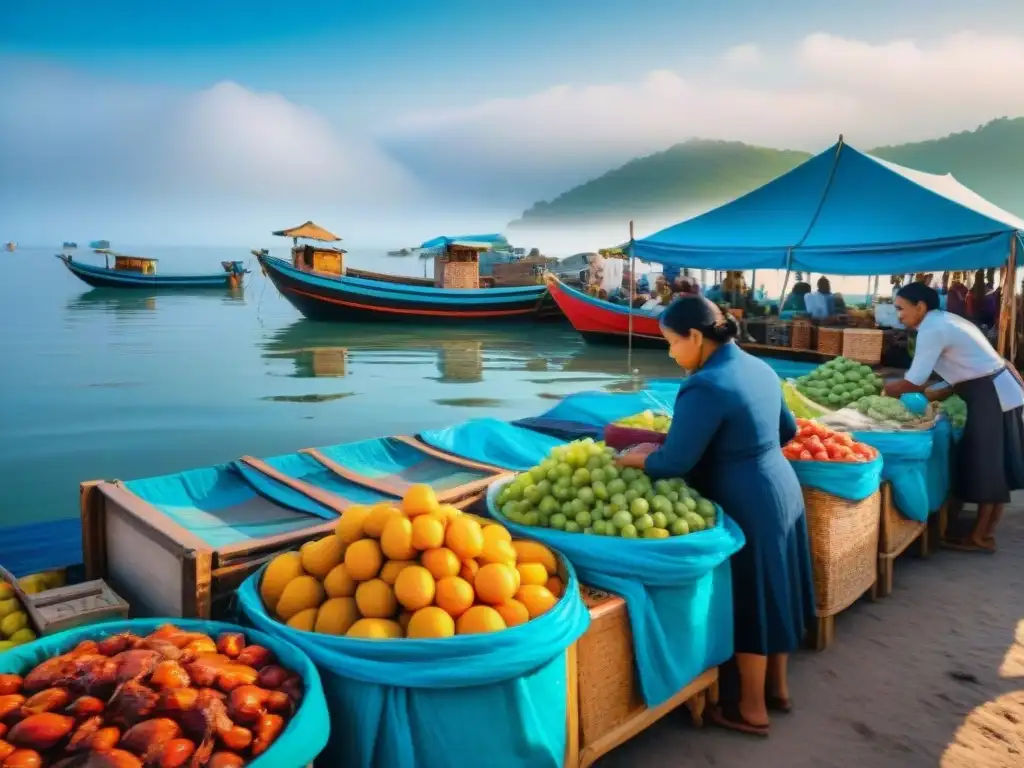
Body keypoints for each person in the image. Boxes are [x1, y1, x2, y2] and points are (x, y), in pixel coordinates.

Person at [616, 297, 815, 736]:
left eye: (671, 343)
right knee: (776, 587)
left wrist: (632, 458)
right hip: (781, 486)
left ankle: (751, 709)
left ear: (695, 336)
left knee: (750, 597)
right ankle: (778, 689)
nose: (671, 353)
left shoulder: (704, 385)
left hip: (746, 498)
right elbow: (787, 430)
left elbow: (674, 462)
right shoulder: (759, 366)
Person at [883, 283, 1024, 553]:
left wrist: (883, 389)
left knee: (989, 465)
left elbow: (913, 382)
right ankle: (984, 531)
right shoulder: (944, 320)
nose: (898, 315)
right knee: (995, 462)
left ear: (920, 306)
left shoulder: (932, 328)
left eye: (901, 308)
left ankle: (980, 537)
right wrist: (938, 392)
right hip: (997, 388)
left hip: (992, 393)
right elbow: (965, 366)